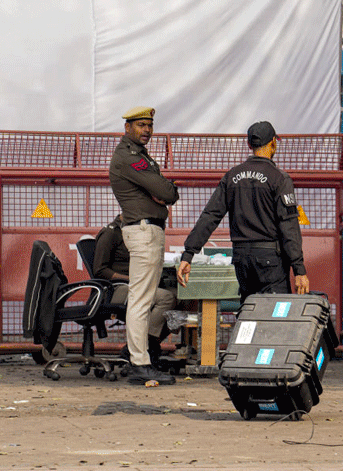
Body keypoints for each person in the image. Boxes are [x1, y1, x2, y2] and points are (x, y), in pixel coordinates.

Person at [176, 121, 310, 303]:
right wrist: (299, 269)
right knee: (275, 315)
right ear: (273, 143)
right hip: (271, 260)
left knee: (249, 309)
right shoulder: (279, 178)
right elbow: (289, 226)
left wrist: (189, 254)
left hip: (241, 259)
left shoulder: (232, 176)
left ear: (249, 145)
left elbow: (210, 215)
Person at [109, 106, 179, 386]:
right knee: (140, 301)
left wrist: (160, 191)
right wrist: (164, 191)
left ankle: (139, 358)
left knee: (144, 299)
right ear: (127, 128)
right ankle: (139, 363)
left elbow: (160, 190)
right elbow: (165, 191)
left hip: (148, 230)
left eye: (149, 125)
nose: (146, 130)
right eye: (140, 125)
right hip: (143, 231)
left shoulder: (138, 156)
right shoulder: (128, 157)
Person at [92, 215, 177, 368]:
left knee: (180, 297)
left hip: (136, 284)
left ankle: (146, 347)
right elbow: (100, 270)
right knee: (165, 298)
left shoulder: (137, 231)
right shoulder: (111, 233)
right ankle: (141, 349)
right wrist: (132, 279)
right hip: (116, 288)